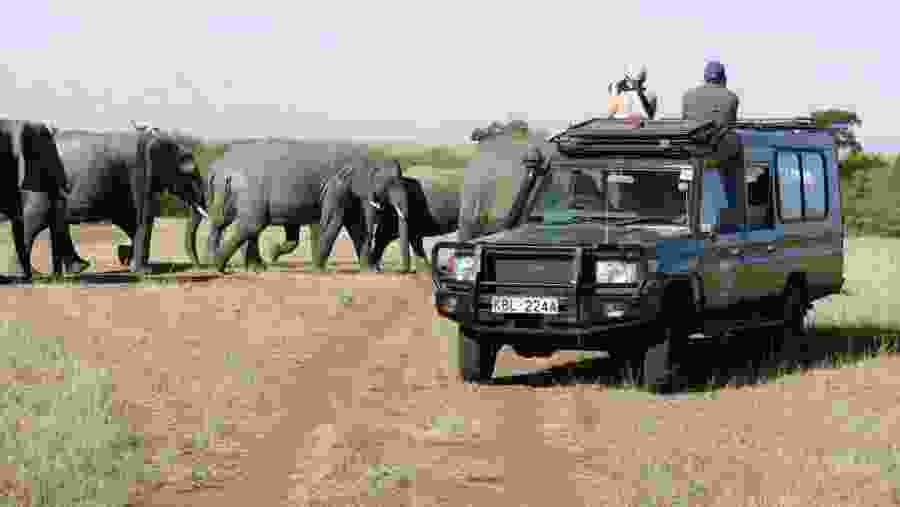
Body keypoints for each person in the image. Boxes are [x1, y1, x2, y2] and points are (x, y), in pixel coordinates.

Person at [682, 61, 739, 125]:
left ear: (705, 77)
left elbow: (685, 120)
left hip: (693, 131)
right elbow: (732, 123)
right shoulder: (732, 98)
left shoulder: (688, 96)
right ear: (724, 78)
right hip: (719, 131)